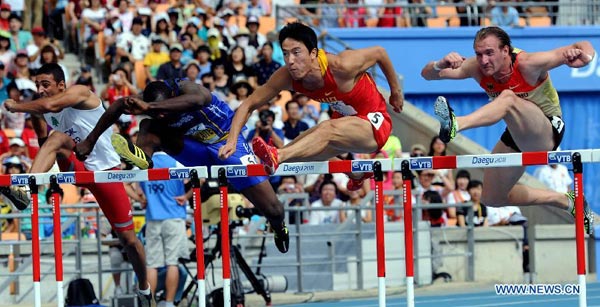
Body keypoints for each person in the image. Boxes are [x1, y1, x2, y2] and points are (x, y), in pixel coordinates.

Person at [73, 80, 290, 254]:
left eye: (164, 111)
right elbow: (117, 106)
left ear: (172, 98)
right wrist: (90, 140)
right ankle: (143, 157)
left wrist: (150, 108)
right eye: (156, 110)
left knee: (273, 208)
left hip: (226, 143)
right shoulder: (144, 101)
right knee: (148, 125)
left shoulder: (188, 89)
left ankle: (279, 226)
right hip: (193, 149)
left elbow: (198, 99)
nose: (161, 115)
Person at [2, 63, 155, 307]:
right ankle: (24, 191)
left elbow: (48, 106)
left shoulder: (79, 93)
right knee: (56, 138)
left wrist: (15, 106)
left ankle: (145, 289)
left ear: (61, 85)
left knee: (130, 242)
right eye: (37, 85)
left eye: (46, 84)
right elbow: (43, 132)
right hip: (77, 166)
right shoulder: (42, 108)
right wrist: (49, 167)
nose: (40, 90)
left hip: (105, 173)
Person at [420, 26, 596, 234]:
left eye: (489, 53)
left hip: (547, 131)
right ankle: (566, 201)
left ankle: (457, 124)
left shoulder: (529, 63)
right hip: (517, 133)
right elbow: (427, 75)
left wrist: (586, 56)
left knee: (508, 98)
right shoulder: (476, 67)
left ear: (506, 51)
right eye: (478, 54)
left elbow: (583, 46)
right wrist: (440, 64)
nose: (484, 60)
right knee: (492, 197)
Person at [218, 22, 403, 192]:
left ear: (313, 53)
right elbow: (248, 104)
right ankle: (355, 174)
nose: (290, 60)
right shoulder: (286, 76)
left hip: (375, 124)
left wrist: (396, 92)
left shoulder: (342, 65)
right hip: (346, 123)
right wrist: (232, 140)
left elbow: (380, 52)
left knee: (324, 129)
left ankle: (278, 156)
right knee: (303, 144)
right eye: (285, 53)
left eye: (296, 52)